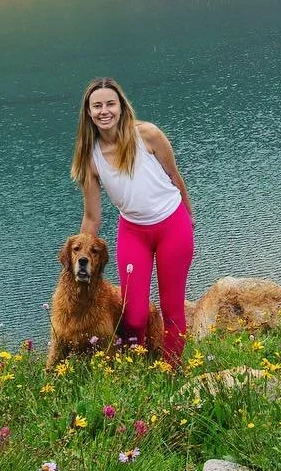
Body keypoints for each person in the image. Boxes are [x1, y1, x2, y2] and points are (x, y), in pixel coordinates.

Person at [70, 76, 194, 365]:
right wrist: (81, 255)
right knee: (134, 313)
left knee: (172, 308)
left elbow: (175, 176)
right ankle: (136, 365)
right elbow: (92, 217)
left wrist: (188, 218)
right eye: (97, 106)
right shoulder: (90, 158)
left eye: (110, 104)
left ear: (121, 106)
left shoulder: (147, 135)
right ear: (88, 113)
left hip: (172, 226)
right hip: (133, 232)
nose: (104, 111)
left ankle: (170, 370)